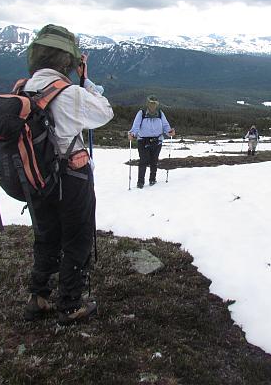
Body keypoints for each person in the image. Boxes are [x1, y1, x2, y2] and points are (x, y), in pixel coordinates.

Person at [22, 24, 113, 325]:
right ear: (68, 62)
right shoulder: (70, 93)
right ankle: (71, 303)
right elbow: (104, 112)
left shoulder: (24, 89)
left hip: (36, 178)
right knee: (77, 237)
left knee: (46, 236)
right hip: (71, 178)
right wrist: (86, 81)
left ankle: (38, 296)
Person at [127, 95, 175, 188]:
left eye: (154, 103)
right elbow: (136, 126)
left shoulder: (160, 113)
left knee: (154, 161)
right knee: (143, 161)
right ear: (147, 103)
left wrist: (170, 132)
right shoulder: (142, 113)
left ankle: (152, 179)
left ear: (157, 104)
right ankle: (140, 182)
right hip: (143, 141)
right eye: (151, 103)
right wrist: (132, 134)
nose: (152, 105)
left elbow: (165, 126)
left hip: (157, 141)